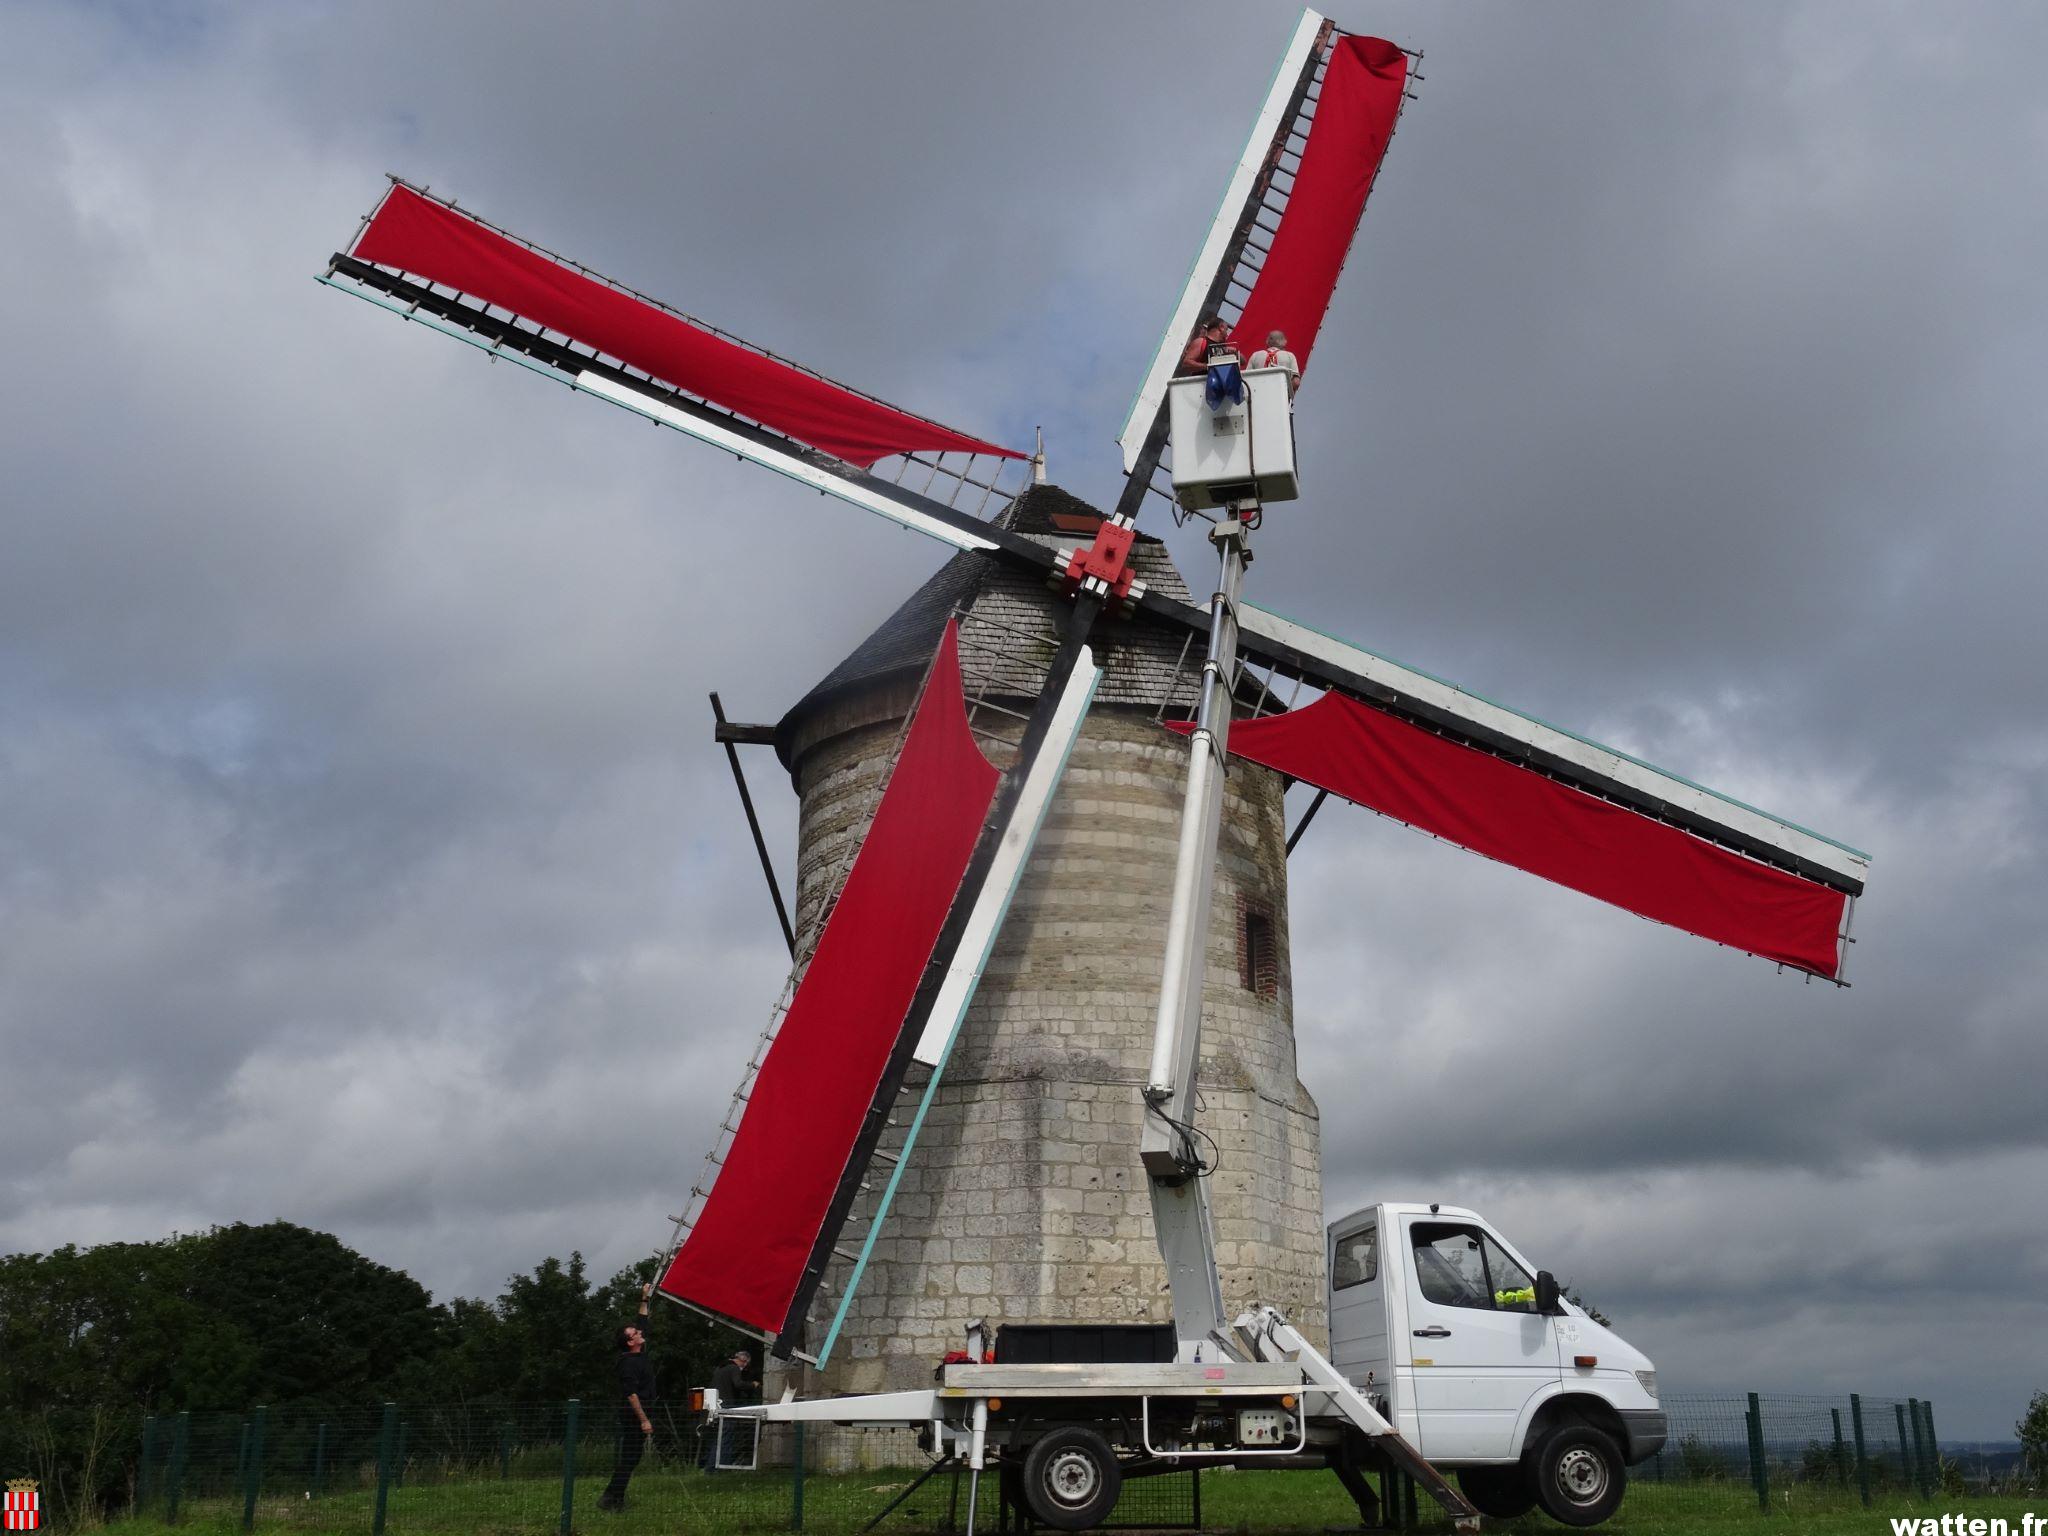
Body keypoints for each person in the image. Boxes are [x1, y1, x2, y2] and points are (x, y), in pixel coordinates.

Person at [597, 1283, 656, 1511]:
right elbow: (631, 1395)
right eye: (634, 1334)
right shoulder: (628, 1364)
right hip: (633, 1416)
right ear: (630, 1342)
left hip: (640, 1413)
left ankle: (613, 1496)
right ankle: (612, 1499)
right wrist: (643, 1420)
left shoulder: (639, 1353)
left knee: (631, 1457)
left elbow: (642, 1322)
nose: (639, 1333)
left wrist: (644, 1298)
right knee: (630, 1458)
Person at [701, 1348, 753, 1472]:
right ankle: (720, 1467)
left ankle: (711, 1466)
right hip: (726, 1405)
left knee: (718, 1438)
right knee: (726, 1437)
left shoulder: (720, 1368)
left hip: (715, 1406)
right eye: (745, 1364)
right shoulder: (734, 1368)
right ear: (743, 1361)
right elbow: (738, 1384)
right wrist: (752, 1385)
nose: (744, 1367)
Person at [1247, 329, 1300, 397]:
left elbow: (1247, 380)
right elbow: (1296, 382)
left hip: (1259, 396)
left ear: (1267, 341)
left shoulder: (1255, 355)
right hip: (1280, 398)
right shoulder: (1290, 356)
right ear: (1284, 342)